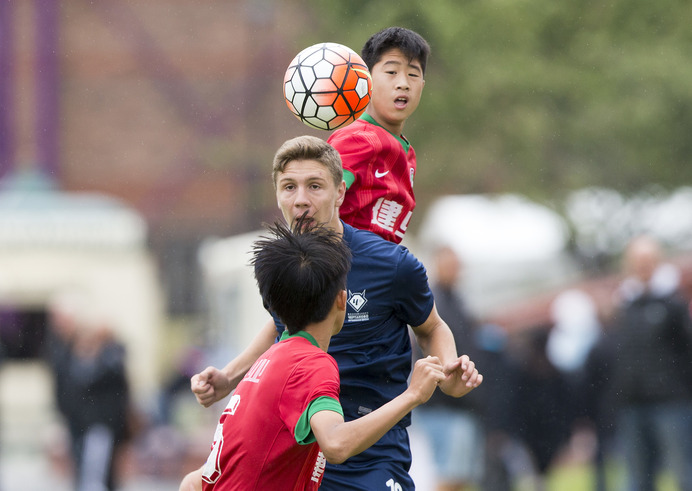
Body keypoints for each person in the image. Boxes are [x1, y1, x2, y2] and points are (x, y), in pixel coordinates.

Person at [190, 135, 483, 490]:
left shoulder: (390, 264)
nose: (301, 201)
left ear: (340, 193)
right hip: (299, 449)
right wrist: (229, 375)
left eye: (314, 186)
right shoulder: (281, 266)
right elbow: (282, 326)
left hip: (372, 449)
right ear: (277, 195)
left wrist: (447, 370)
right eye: (289, 187)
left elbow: (432, 326)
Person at [180, 220, 450, 490]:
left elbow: (193, 483)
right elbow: (335, 444)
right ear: (342, 300)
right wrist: (412, 394)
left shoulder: (265, 364)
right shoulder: (311, 365)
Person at [327, 27, 429, 244]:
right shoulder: (355, 139)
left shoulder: (407, 152)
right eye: (391, 72)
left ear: (422, 85)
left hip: (382, 273)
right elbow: (321, 207)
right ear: (366, 79)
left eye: (413, 74)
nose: (403, 83)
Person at [610, 235, 692, 491]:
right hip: (633, 402)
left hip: (671, 401)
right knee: (637, 476)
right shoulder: (625, 304)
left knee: (683, 471)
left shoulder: (673, 304)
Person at [412, 246, 485, 491]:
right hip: (441, 405)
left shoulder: (457, 301)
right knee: (447, 475)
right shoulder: (434, 303)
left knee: (459, 475)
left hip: (459, 404)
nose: (455, 271)